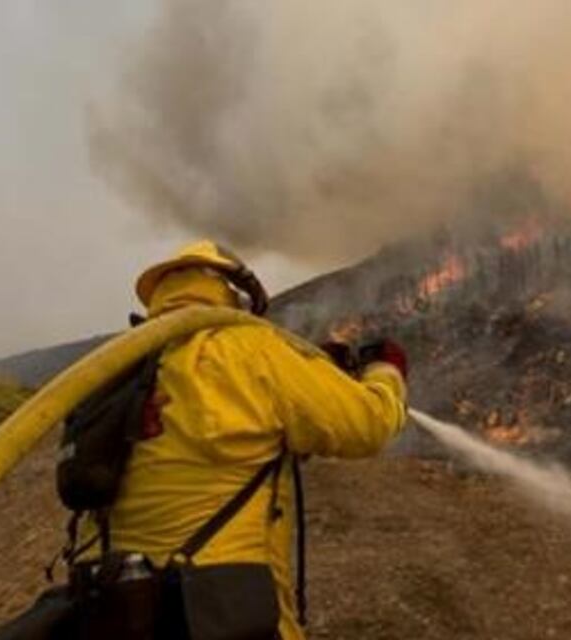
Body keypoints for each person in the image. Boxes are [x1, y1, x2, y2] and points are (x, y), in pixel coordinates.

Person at [93, 240, 408, 639]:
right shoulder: (249, 349)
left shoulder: (116, 368)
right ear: (236, 294)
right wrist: (386, 370)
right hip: (222, 610)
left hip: (124, 610)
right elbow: (370, 424)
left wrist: (318, 372)